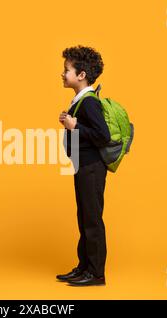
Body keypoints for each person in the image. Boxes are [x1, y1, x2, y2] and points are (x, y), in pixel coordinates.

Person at [57, 45, 111, 286]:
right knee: (84, 217)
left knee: (92, 219)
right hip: (83, 166)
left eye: (66, 69)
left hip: (91, 168)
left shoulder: (89, 101)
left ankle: (96, 273)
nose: (62, 73)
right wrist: (71, 123)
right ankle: (84, 267)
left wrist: (74, 126)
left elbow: (103, 135)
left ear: (81, 75)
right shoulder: (80, 101)